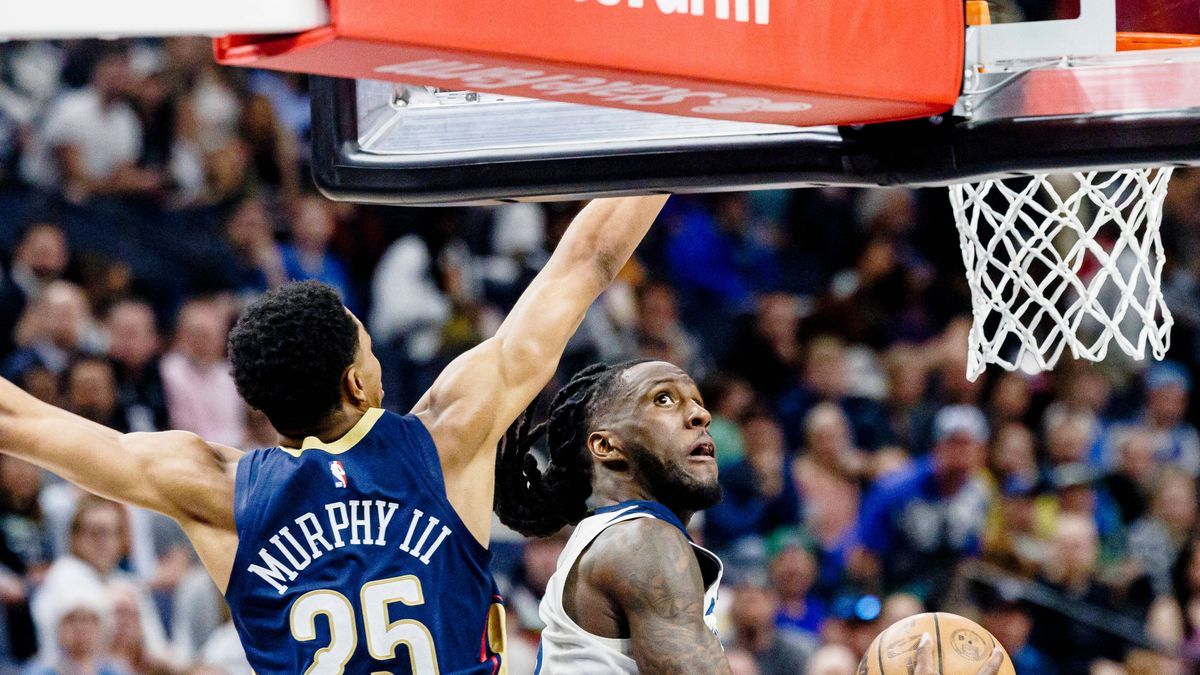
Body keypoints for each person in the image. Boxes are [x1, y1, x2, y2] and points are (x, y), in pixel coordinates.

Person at [0, 195, 668, 673]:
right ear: (357, 382)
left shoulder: (216, 488)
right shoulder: (445, 437)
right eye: (370, 347)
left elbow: (20, 421)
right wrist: (693, 117)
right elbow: (587, 260)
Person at [494, 359, 729, 673]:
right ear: (606, 446)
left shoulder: (618, 535)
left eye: (698, 403)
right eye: (663, 399)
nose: (702, 415)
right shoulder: (641, 539)